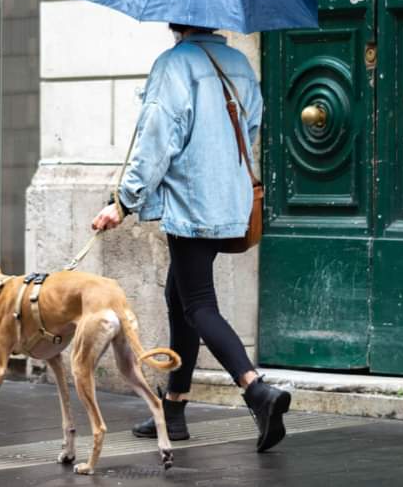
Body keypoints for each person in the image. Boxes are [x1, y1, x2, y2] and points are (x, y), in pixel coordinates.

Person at [90, 23, 291, 453]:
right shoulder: (238, 63)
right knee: (178, 298)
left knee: (198, 304)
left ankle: (256, 389)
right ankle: (174, 412)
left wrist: (122, 201)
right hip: (229, 200)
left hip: (192, 204)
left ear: (174, 21)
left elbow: (157, 141)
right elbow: (252, 126)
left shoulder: (173, 65)